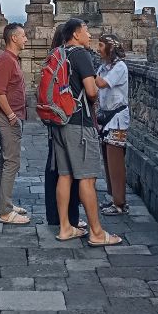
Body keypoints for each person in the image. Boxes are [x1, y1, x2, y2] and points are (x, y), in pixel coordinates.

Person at [52, 18, 122, 246]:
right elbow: (91, 91)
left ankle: (65, 228)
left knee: (65, 175)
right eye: (86, 30)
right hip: (79, 122)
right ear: (75, 34)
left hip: (59, 121)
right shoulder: (81, 54)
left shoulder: (58, 53)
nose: (89, 35)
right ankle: (97, 233)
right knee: (87, 178)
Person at [44, 25, 83, 231]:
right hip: (68, 119)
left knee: (54, 166)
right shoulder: (68, 59)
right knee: (68, 171)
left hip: (54, 118)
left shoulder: (52, 59)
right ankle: (70, 218)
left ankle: (54, 215)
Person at [0, 23, 31, 224]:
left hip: (12, 115)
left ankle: (2, 203)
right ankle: (5, 211)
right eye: (23, 36)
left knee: (5, 161)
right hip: (9, 117)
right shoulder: (6, 60)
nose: (26, 39)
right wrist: (11, 115)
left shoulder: (11, 59)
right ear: (14, 38)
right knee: (11, 162)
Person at [95, 34, 130, 215]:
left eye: (101, 45)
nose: (98, 49)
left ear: (110, 48)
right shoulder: (103, 67)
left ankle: (120, 202)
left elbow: (101, 84)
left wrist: (85, 71)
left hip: (117, 118)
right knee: (107, 160)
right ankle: (112, 196)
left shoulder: (120, 67)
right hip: (106, 117)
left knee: (115, 161)